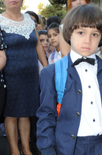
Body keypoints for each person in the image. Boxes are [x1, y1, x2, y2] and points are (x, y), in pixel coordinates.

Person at [36, 4, 102, 155]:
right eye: (81, 32)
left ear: (101, 37)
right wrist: (47, 149)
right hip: (68, 148)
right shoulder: (53, 73)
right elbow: (46, 115)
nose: (87, 40)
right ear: (69, 33)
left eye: (94, 34)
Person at [0, 0, 48, 155]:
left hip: (31, 76)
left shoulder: (28, 20)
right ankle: (15, 151)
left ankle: (27, 150)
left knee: (26, 113)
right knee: (12, 114)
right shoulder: (0, 21)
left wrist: (46, 67)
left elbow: (38, 45)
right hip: (10, 76)